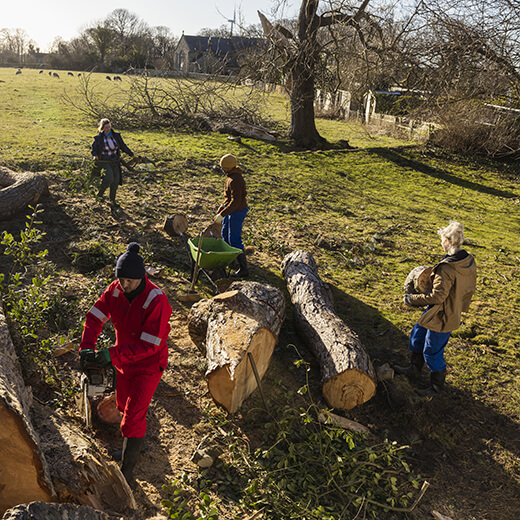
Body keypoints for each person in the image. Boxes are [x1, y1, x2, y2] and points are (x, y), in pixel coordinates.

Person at [78, 242, 172, 487]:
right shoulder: (116, 290)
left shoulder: (156, 301)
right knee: (121, 405)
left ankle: (128, 472)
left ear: (141, 278)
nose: (124, 285)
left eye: (130, 281)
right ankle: (129, 446)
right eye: (121, 279)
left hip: (148, 366)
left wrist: (110, 355)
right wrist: (87, 346)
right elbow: (95, 316)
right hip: (124, 363)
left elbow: (150, 345)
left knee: (133, 416)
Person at [395, 221, 477, 396]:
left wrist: (411, 299)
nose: (441, 243)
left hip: (443, 315)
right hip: (438, 309)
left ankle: (436, 387)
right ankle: (414, 369)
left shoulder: (446, 268)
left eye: (442, 240)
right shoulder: (467, 260)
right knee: (417, 335)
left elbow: (437, 296)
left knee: (432, 351)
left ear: (447, 241)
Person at [214, 154, 249, 277]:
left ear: (227, 168)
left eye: (223, 167)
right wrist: (222, 207)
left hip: (238, 211)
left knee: (234, 238)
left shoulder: (236, 180)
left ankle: (243, 268)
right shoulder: (230, 177)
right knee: (225, 234)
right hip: (231, 210)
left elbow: (236, 201)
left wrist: (223, 214)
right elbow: (229, 198)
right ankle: (231, 259)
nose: (222, 169)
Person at [91, 118, 135, 208]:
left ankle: (112, 200)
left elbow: (123, 146)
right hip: (105, 161)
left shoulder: (116, 136)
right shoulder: (98, 138)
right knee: (108, 178)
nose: (108, 129)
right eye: (106, 128)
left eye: (109, 127)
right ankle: (100, 194)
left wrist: (132, 155)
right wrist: (95, 156)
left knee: (115, 181)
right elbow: (94, 149)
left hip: (115, 160)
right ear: (102, 128)